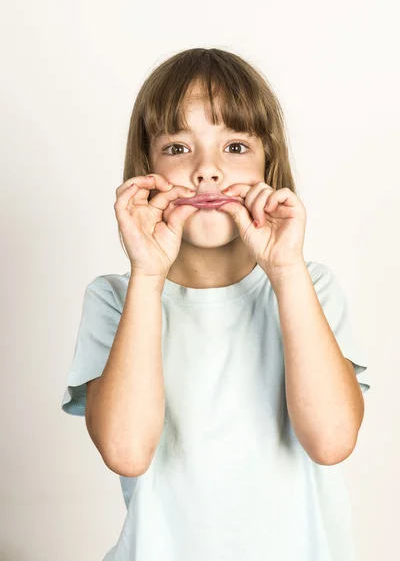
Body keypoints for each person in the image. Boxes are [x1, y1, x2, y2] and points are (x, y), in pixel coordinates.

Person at [61, 47, 371, 561]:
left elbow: (332, 440)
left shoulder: (309, 285)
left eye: (234, 146)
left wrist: (286, 271)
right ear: (146, 168)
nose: (207, 171)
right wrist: (148, 273)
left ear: (270, 162)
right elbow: (126, 451)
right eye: (179, 148)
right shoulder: (116, 298)